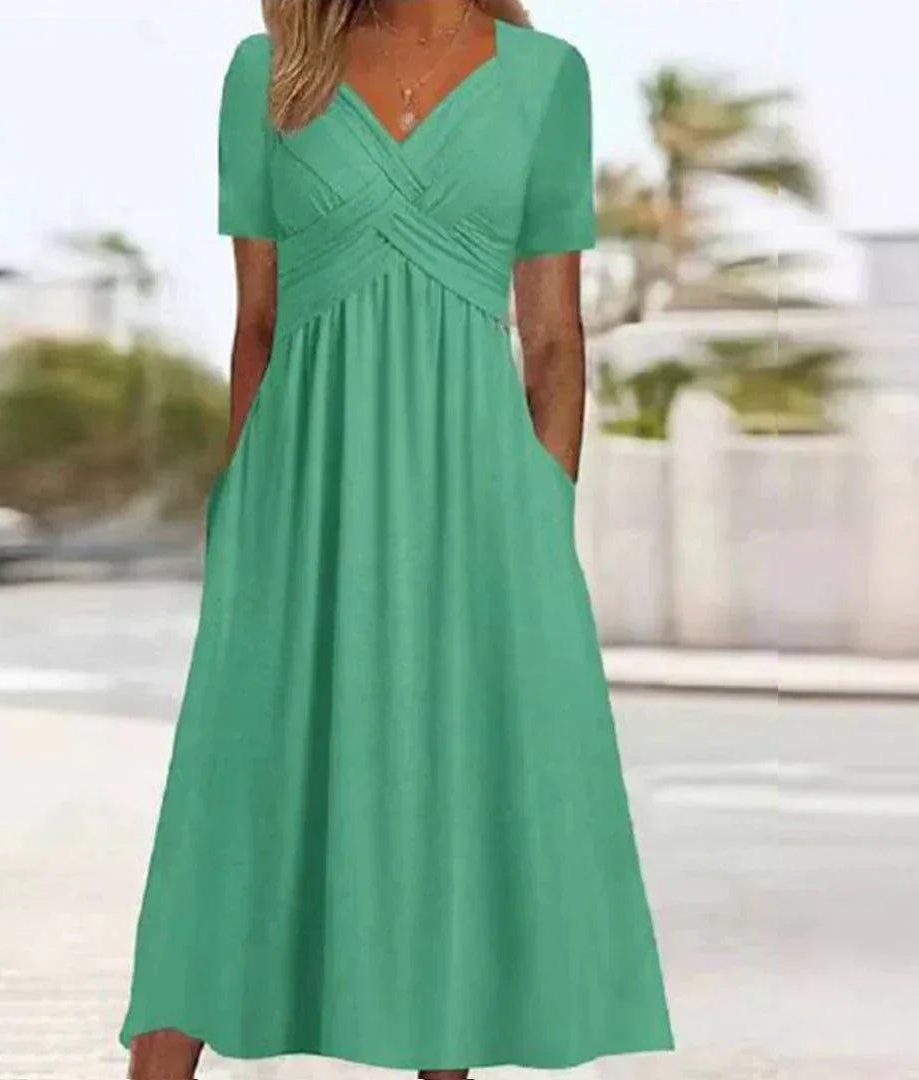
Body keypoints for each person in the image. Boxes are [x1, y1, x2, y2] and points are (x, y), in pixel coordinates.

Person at [122, 2, 674, 1078]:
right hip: (296, 490)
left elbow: (554, 339)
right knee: (234, 788)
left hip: (483, 501)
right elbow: (258, 324)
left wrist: (539, 510)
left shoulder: (546, 77)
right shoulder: (271, 70)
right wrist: (243, 505)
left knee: (451, 775)